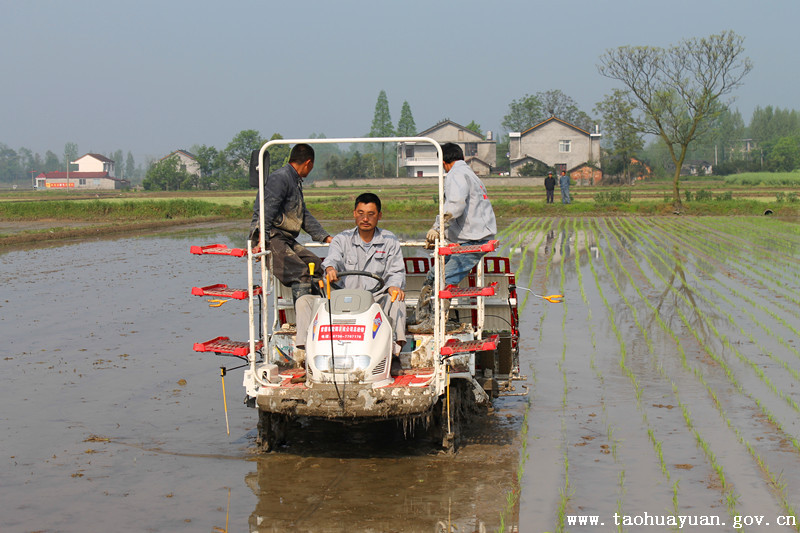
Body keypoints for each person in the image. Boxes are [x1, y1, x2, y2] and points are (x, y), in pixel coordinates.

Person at [294, 193, 407, 366]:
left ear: (379, 216)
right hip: (342, 299)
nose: (365, 219)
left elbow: (396, 271)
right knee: (304, 302)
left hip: (375, 300)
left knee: (397, 300)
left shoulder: (389, 241)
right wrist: (330, 268)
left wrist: (394, 286)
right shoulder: (341, 239)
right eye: (361, 213)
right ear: (354, 214)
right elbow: (332, 259)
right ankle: (306, 355)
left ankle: (393, 354)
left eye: (371, 214)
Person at [411, 142, 497, 332]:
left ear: (443, 161)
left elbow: (455, 206)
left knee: (443, 280)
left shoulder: (456, 175)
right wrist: (440, 234)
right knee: (433, 276)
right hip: (465, 238)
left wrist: (437, 228)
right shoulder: (467, 173)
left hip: (473, 240)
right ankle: (422, 318)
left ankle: (436, 323)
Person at [248, 143, 332, 302]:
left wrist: (325, 237)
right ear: (308, 163)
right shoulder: (280, 178)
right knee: (301, 273)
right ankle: (304, 320)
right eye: (311, 166)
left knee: (315, 265)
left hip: (285, 239)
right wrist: (262, 241)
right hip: (271, 237)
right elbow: (266, 211)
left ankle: (320, 310)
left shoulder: (294, 181)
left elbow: (303, 215)